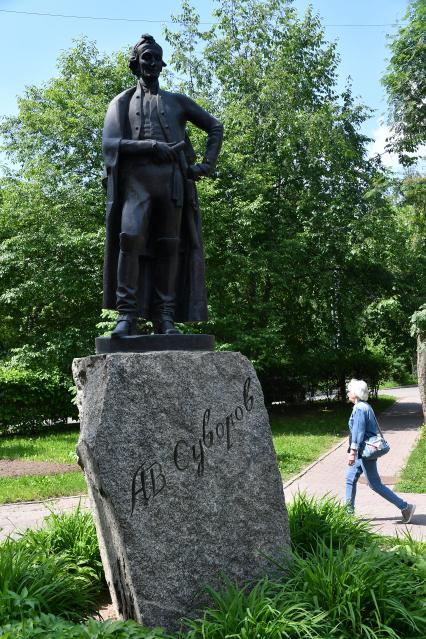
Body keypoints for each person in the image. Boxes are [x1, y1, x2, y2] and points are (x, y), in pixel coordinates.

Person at [101, 34, 223, 337]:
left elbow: (215, 126)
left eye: (156, 58)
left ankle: (165, 317)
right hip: (136, 183)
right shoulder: (122, 102)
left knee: (170, 246)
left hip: (172, 183)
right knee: (129, 238)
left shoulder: (177, 102)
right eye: (146, 58)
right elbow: (110, 144)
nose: (152, 63)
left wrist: (205, 165)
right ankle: (127, 316)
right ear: (135, 63)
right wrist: (151, 146)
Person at [345, 378, 415, 523]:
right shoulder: (365, 406)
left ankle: (405, 507)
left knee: (374, 484)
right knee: (350, 479)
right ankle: (347, 514)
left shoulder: (359, 408)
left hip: (364, 452)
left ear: (356, 393)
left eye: (349, 390)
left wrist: (352, 452)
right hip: (363, 452)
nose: (348, 392)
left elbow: (358, 432)